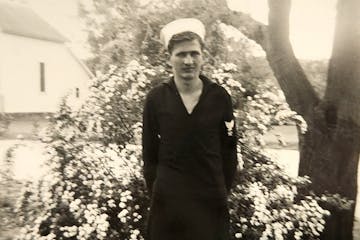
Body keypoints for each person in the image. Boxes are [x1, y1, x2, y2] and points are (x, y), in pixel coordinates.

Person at [142, 18, 238, 240]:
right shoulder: (156, 99)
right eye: (181, 54)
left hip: (209, 205)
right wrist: (161, 192)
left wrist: (219, 190)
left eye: (194, 53)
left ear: (203, 56)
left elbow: (230, 150)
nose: (188, 61)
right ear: (170, 58)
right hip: (168, 209)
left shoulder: (219, 97)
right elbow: (149, 156)